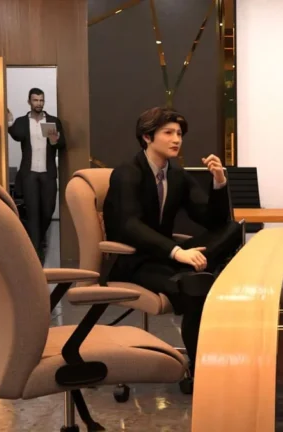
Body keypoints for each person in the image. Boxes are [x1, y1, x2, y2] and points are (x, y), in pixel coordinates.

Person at [102, 106, 242, 380]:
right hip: (135, 261)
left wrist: (219, 182)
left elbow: (212, 220)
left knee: (233, 229)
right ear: (147, 137)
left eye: (179, 133)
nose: (176, 139)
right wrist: (177, 252)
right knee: (197, 289)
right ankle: (201, 371)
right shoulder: (127, 172)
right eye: (168, 133)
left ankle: (193, 271)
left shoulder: (176, 174)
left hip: (167, 256)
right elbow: (129, 226)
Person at [7, 88, 66, 262]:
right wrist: (9, 122)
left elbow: (62, 144)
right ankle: (35, 253)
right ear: (29, 102)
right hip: (29, 174)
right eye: (35, 100)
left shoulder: (52, 121)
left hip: (48, 173)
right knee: (32, 212)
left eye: (41, 100)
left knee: (48, 210)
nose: (39, 103)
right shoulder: (22, 121)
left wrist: (55, 140)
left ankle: (37, 240)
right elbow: (16, 135)